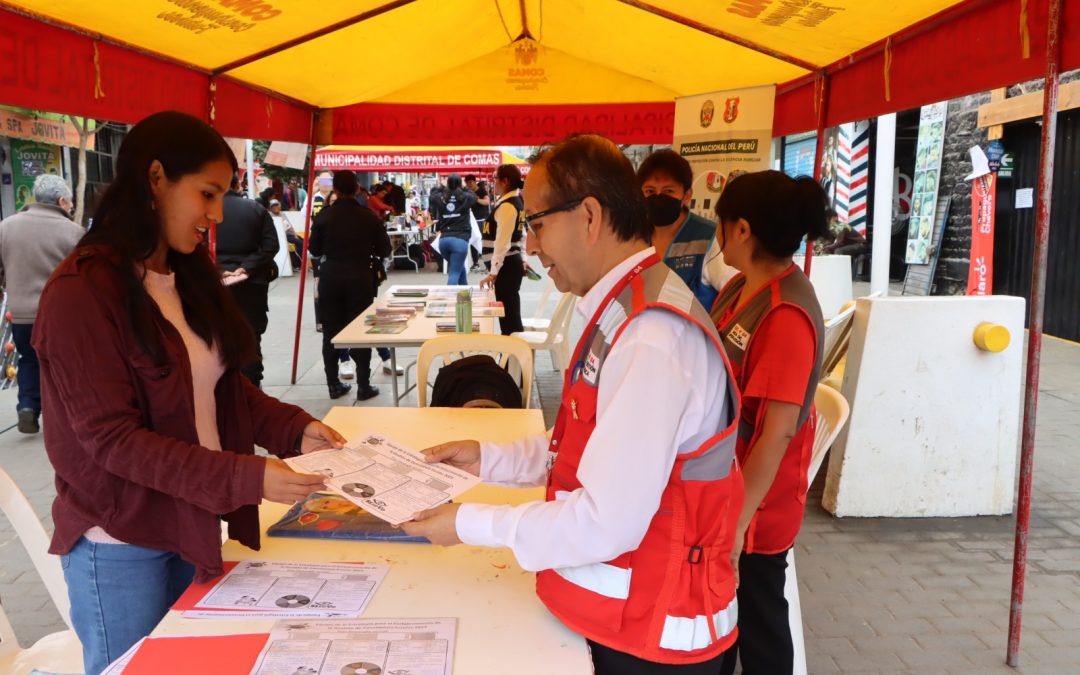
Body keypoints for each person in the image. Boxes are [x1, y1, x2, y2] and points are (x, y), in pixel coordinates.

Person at [402, 134, 742, 674]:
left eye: (537, 225)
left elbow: (607, 523)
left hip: (650, 637)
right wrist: (487, 459)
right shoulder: (623, 305)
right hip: (618, 618)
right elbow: (584, 446)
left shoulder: (650, 336)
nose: (531, 247)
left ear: (589, 216)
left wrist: (469, 524)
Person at [32, 111, 342, 675]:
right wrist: (248, 477)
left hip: (191, 520)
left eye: (222, 195)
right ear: (155, 178)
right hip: (121, 541)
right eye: (207, 193)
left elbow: (220, 388)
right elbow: (114, 441)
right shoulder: (82, 291)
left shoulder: (186, 273)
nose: (217, 213)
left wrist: (296, 429)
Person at [708, 170, 828, 675]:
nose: (716, 231)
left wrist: (738, 524)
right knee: (726, 616)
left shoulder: (785, 314)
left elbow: (776, 432)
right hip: (727, 487)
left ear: (741, 229)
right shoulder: (742, 287)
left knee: (760, 624)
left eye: (720, 221)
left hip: (756, 505)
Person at [0, 174, 84, 433]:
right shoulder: (73, 232)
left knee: (28, 359)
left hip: (21, 315)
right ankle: (63, 415)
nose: (72, 206)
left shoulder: (5, 227)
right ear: (61, 201)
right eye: (69, 202)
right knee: (63, 364)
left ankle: (27, 406)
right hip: (61, 316)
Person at [308, 170, 390, 402]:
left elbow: (314, 249)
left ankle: (333, 384)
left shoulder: (324, 216)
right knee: (360, 331)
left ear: (335, 189)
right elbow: (385, 249)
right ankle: (363, 385)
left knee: (331, 332)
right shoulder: (368, 216)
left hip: (331, 277)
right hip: (360, 277)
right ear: (356, 189)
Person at [637, 149, 734, 310]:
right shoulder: (633, 235)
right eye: (650, 191)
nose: (658, 197)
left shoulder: (710, 237)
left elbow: (736, 295)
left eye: (668, 191)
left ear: (687, 195)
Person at [217, 174, 280, 387]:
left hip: (215, 283)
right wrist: (246, 267)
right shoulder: (255, 209)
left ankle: (227, 387)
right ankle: (252, 386)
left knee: (218, 339)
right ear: (237, 185)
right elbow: (271, 246)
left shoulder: (205, 210)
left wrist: (219, 269)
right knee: (251, 337)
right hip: (251, 284)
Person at [478, 164, 526, 335]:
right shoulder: (513, 201)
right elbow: (522, 235)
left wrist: (494, 272)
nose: (494, 182)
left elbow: (502, 243)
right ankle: (514, 352)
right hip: (509, 264)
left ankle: (514, 352)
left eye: (495, 178)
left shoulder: (508, 205)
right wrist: (523, 259)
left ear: (505, 181)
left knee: (509, 320)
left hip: (507, 266)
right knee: (509, 316)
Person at [435, 174, 476, 285]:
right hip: (460, 240)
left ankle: (465, 293)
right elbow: (474, 197)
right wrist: (465, 187)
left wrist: (442, 186)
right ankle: (450, 295)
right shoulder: (465, 197)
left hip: (444, 240)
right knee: (454, 273)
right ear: (460, 183)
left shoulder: (441, 197)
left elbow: (432, 196)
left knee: (459, 267)